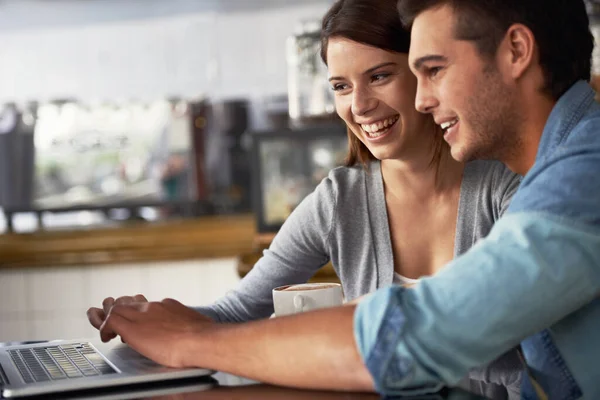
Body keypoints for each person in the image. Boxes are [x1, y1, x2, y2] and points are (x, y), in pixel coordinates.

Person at [88, 0, 600, 398]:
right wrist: (160, 323)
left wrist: (188, 343)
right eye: (340, 85)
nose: (422, 98)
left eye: (433, 70)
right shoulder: (559, 165)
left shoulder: (580, 175)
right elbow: (242, 309)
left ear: (516, 51)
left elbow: (420, 335)